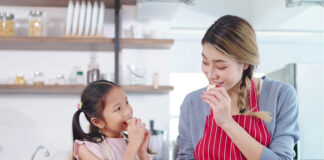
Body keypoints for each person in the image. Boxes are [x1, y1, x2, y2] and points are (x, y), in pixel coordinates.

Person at [176, 15, 299, 160]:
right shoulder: (192, 102)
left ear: (245, 63)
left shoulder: (281, 95)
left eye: (221, 67)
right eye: (205, 62)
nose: (210, 74)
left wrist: (227, 123)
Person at [72, 80, 152, 160]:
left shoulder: (129, 142)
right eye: (118, 108)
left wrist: (142, 151)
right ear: (98, 122)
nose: (128, 111)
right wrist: (133, 145)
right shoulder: (87, 149)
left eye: (126, 102)